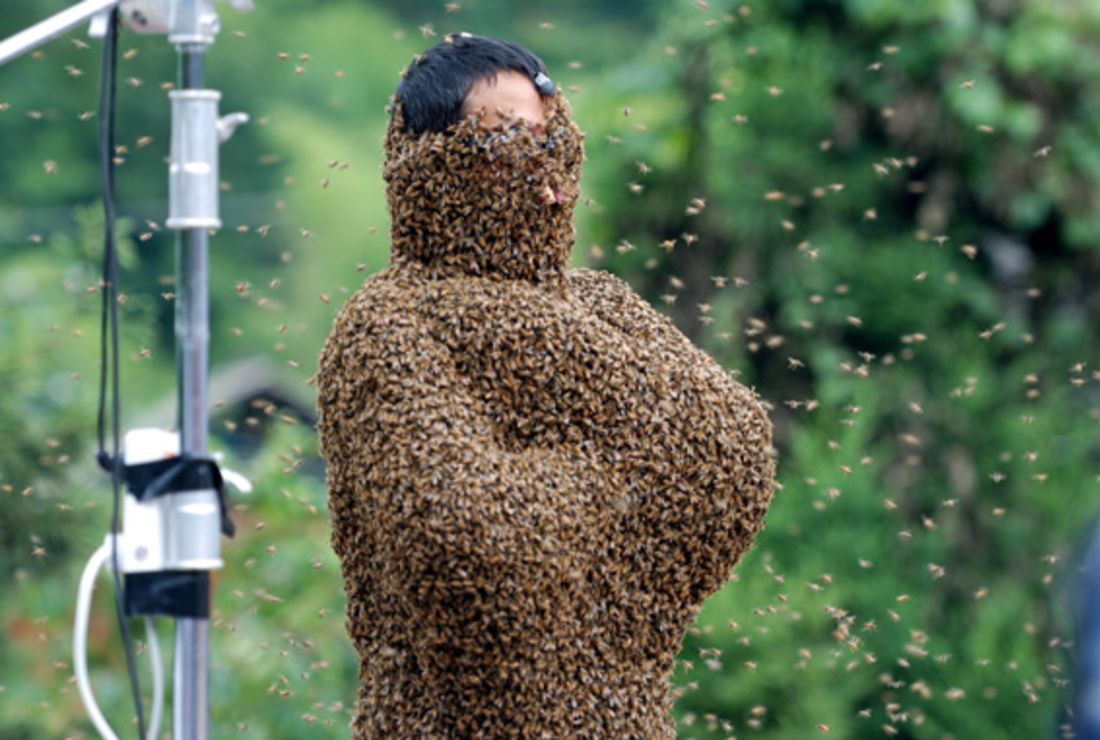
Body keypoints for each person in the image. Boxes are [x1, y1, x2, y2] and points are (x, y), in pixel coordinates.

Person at [313, 33, 778, 738]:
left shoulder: (601, 303)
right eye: (508, 139)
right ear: (430, 163)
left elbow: (735, 457)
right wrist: (618, 477)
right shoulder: (390, 323)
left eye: (549, 137)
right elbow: (466, 549)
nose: (543, 167)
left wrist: (555, 483)